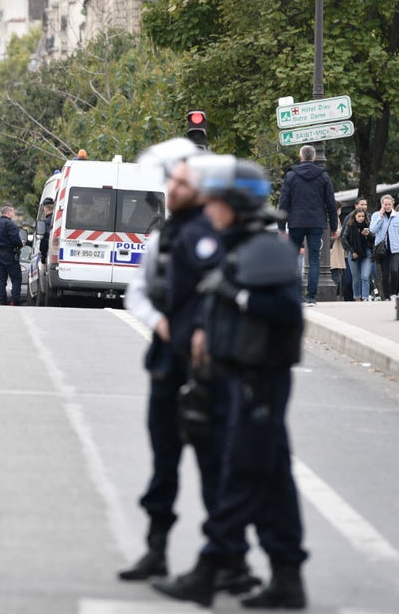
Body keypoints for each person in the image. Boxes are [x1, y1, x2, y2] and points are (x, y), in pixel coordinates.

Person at [153, 155, 307, 609]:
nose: (209, 207)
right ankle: (287, 576)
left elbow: (284, 314)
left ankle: (210, 568)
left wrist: (236, 296)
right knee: (274, 479)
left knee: (240, 475)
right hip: (243, 378)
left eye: (217, 200)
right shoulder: (241, 246)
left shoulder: (263, 251)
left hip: (258, 382)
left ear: (235, 205)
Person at [121, 139, 260, 594]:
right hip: (167, 365)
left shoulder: (214, 232)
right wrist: (159, 321)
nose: (171, 188)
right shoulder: (164, 235)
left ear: (200, 189)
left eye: (180, 182)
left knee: (214, 466)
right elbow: (137, 291)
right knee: (164, 464)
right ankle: (156, 549)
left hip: (208, 371)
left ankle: (229, 561)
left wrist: (204, 328)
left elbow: (222, 290)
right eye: (172, 180)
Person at [276, 145, 339, 306]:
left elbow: (283, 202)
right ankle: (311, 296)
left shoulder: (290, 176)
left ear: (301, 156)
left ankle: (297, 295)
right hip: (316, 222)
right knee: (314, 260)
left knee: (294, 257)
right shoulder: (323, 176)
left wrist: (281, 227)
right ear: (314, 157)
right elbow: (331, 203)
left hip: (295, 222)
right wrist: (333, 226)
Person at [369, 195, 399, 301]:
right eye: (385, 204)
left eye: (389, 204)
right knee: (385, 273)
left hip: (396, 248)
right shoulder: (376, 215)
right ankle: (386, 296)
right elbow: (372, 230)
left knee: (394, 271)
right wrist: (380, 216)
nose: (387, 206)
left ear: (393, 204)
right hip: (382, 249)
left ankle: (393, 293)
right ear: (382, 204)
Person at [0, 205, 23, 305]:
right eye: (13, 212)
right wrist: (20, 245)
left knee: (2, 280)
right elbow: (16, 240)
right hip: (10, 255)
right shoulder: (10, 224)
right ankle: (16, 300)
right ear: (8, 212)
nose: (13, 214)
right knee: (16, 279)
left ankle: (2, 301)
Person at [341, 208, 374, 301]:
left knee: (365, 276)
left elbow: (374, 239)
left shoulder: (368, 225)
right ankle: (357, 297)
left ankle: (365, 297)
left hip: (366, 253)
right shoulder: (350, 225)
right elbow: (344, 239)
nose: (361, 218)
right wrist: (352, 251)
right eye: (359, 216)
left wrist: (368, 235)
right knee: (355, 278)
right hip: (354, 253)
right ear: (354, 216)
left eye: (363, 216)